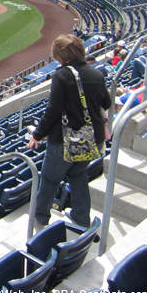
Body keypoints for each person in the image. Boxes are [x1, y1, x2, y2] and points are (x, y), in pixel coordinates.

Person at [27, 34, 110, 228]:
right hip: (91, 138)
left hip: (66, 140)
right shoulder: (96, 74)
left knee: (49, 179)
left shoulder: (62, 75)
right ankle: (82, 219)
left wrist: (37, 134)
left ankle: (40, 219)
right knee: (78, 176)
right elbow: (105, 102)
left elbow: (53, 110)